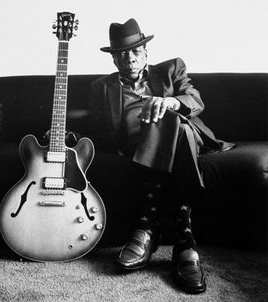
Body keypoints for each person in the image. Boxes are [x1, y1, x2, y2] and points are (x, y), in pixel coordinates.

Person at [87, 18, 234, 294]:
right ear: (113, 60)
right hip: (139, 145)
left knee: (169, 120)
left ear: (145, 53)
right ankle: (185, 239)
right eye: (120, 54)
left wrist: (170, 102)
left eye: (134, 52)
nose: (127, 58)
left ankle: (147, 223)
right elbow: (101, 132)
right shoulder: (100, 88)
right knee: (174, 128)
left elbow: (194, 99)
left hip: (185, 132)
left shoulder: (171, 69)